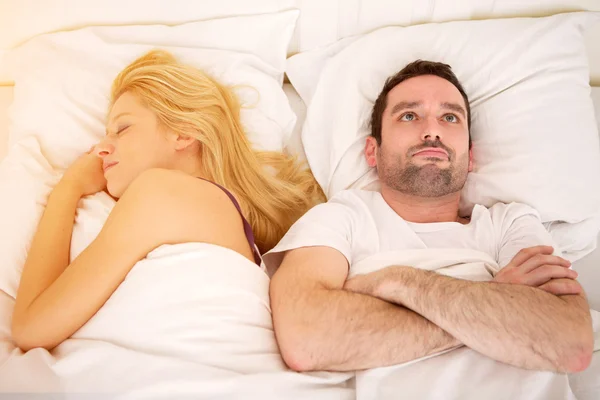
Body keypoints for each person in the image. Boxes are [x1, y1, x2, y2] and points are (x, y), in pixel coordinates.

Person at [266, 60, 595, 374]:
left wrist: (394, 281)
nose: (431, 131)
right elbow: (306, 338)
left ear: (470, 156)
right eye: (409, 116)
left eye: (450, 118)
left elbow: (571, 343)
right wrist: (491, 298)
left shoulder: (509, 224)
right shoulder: (343, 219)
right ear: (372, 151)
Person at [11, 50, 325, 352]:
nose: (100, 148)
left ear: (184, 133)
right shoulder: (214, 212)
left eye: (122, 128)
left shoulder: (158, 192)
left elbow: (31, 328)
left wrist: (68, 187)